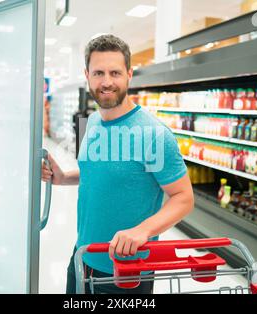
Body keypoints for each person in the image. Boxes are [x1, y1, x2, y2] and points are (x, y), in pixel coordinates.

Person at [42, 35, 194, 294]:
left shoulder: (153, 134)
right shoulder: (90, 123)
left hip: (127, 272)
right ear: (87, 75)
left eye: (115, 72)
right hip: (82, 257)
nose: (107, 82)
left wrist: (142, 230)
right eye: (99, 72)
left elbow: (183, 197)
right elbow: (103, 171)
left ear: (129, 75)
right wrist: (64, 177)